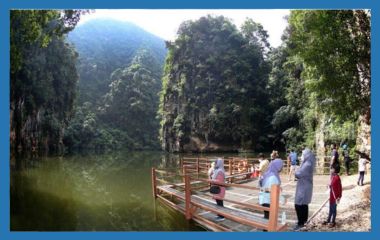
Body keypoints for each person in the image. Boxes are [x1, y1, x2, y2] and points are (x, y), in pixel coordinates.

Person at [294, 148, 316, 231]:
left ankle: (300, 222)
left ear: (306, 155)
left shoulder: (307, 164)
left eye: (303, 154)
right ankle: (304, 221)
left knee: (298, 204)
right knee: (304, 204)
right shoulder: (308, 162)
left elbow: (298, 174)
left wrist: (296, 171)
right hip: (306, 185)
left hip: (303, 186)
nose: (301, 156)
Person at [258, 159, 285, 226]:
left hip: (263, 199)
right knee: (270, 219)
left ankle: (265, 230)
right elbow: (276, 191)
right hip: (269, 200)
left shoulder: (267, 173)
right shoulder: (273, 177)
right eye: (281, 166)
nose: (282, 168)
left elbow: (261, 185)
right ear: (277, 166)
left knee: (267, 216)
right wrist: (283, 200)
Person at [323, 163, 342, 228]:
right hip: (332, 196)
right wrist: (329, 186)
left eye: (331, 168)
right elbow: (331, 185)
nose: (330, 169)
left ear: (334, 169)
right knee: (330, 209)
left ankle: (333, 221)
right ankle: (328, 220)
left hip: (335, 197)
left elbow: (340, 188)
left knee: (334, 209)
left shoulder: (337, 177)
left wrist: (339, 196)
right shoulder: (334, 176)